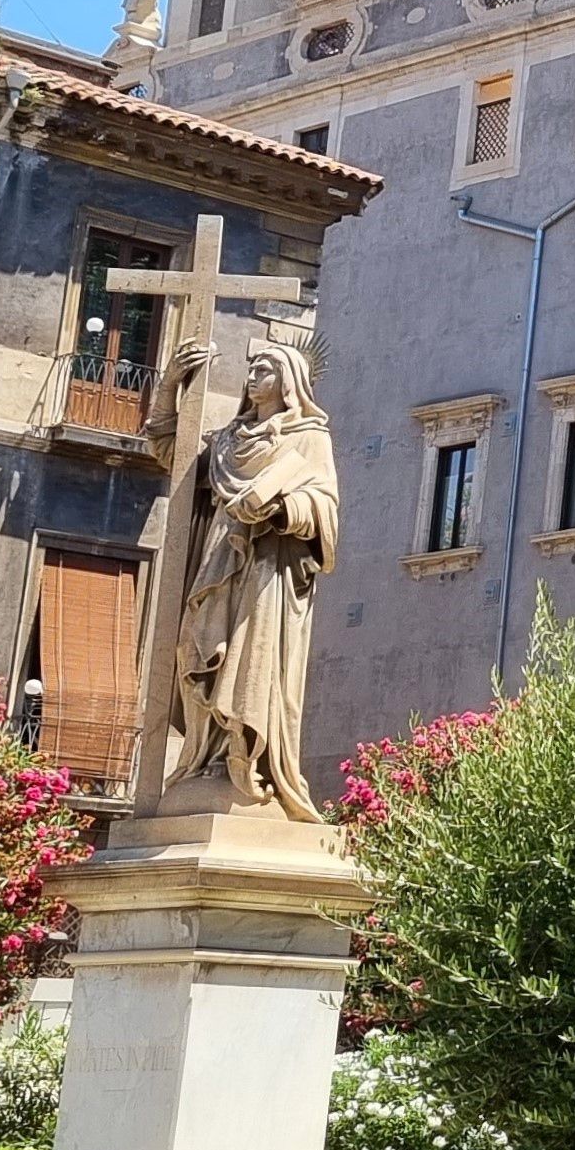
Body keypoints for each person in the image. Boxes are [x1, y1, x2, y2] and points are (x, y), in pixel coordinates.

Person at [156, 333, 341, 819]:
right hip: (219, 562)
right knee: (200, 650)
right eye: (252, 367)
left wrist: (280, 507)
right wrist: (170, 385)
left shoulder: (309, 437)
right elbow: (167, 452)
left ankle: (251, 764)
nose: (254, 374)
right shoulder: (225, 441)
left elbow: (325, 506)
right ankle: (203, 761)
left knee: (253, 665)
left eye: (265, 368)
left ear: (289, 382)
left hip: (268, 571)